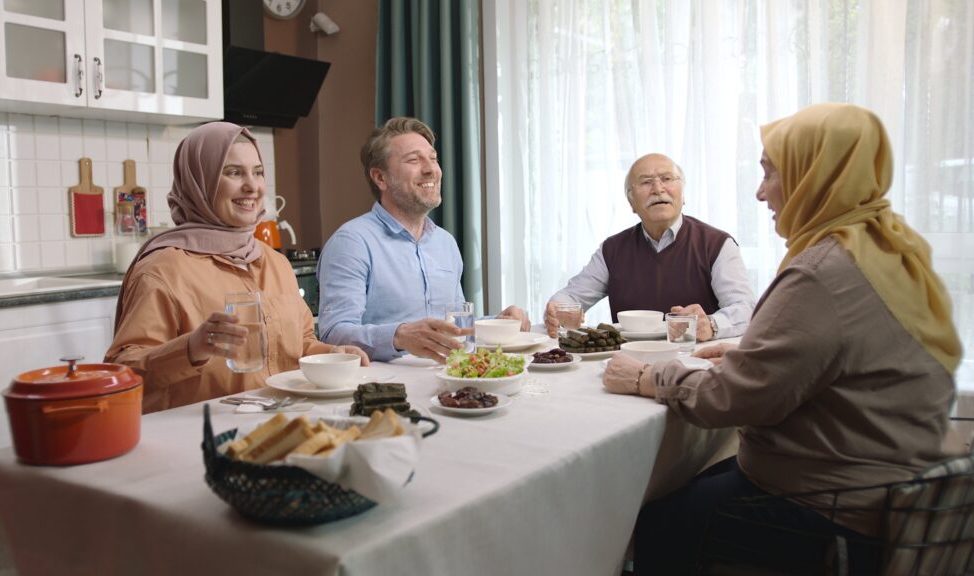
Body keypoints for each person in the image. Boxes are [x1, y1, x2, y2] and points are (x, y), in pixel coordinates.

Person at [604, 104, 963, 575]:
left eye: (770, 173)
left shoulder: (822, 271)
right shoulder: (889, 247)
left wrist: (648, 377)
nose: (759, 192)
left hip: (834, 507)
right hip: (895, 485)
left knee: (657, 519)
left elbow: (731, 399)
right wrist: (750, 352)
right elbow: (847, 355)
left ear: (813, 175)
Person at [106, 122, 368, 413]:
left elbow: (300, 343)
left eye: (257, 172)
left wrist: (332, 354)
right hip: (198, 436)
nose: (252, 186)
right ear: (199, 182)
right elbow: (122, 373)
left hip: (277, 424)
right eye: (233, 172)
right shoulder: (162, 268)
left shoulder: (274, 262)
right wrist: (190, 348)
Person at [318, 117, 530, 363]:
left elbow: (454, 327)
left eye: (433, 158)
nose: (431, 169)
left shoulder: (445, 243)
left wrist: (500, 322)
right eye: (414, 160)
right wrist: (398, 336)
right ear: (380, 178)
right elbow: (332, 335)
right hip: (385, 391)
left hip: (450, 382)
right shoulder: (351, 242)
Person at [543, 153, 755, 341]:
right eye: (645, 182)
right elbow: (571, 297)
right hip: (627, 362)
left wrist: (711, 325)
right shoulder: (613, 250)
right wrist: (557, 311)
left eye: (667, 179)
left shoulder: (716, 244)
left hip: (694, 362)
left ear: (683, 194)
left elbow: (745, 308)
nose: (658, 189)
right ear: (631, 202)